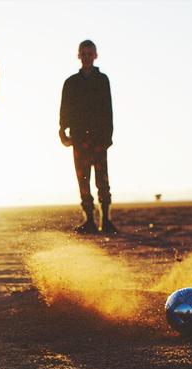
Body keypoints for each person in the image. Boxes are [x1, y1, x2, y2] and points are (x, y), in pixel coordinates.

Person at [59, 40, 118, 235]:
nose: (86, 57)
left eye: (89, 53)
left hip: (99, 138)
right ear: (78, 56)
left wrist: (108, 136)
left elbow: (108, 109)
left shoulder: (102, 80)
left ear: (95, 55)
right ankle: (89, 220)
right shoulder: (71, 82)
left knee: (102, 180)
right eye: (83, 53)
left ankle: (106, 220)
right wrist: (63, 131)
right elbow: (64, 109)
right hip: (79, 138)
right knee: (83, 180)